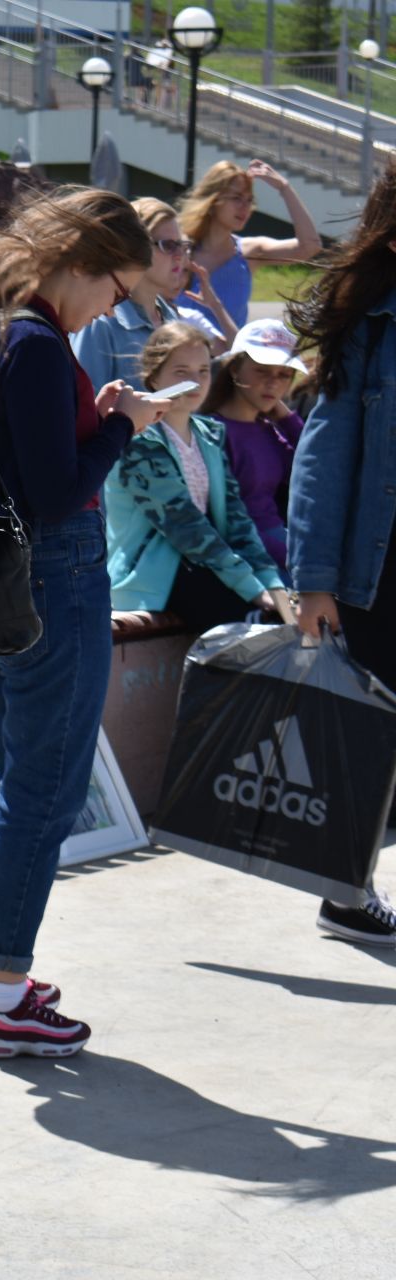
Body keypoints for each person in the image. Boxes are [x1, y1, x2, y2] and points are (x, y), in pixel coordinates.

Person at [0, 186, 164, 1059]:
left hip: (13, 582)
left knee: (14, 778)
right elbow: (55, 492)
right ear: (82, 265)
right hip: (53, 577)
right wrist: (123, 425)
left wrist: (93, 422)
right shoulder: (30, 340)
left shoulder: (6, 329)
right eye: (116, 287)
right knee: (47, 786)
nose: (114, 307)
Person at [284, 156, 396, 947]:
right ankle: (344, 893)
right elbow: (324, 452)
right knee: (372, 735)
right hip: (379, 569)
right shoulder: (372, 320)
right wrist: (314, 579)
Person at [104, 321, 292, 630]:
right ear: (154, 375)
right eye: (181, 372)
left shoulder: (210, 433)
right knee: (253, 625)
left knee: (279, 620)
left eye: (203, 371)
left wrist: (270, 581)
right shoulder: (139, 439)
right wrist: (252, 587)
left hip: (205, 567)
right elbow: (185, 526)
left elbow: (236, 519)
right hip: (154, 579)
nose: (194, 382)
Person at [202, 318, 309, 574]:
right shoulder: (210, 433)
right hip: (248, 562)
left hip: (283, 548)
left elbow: (310, 466)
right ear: (235, 369)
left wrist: (283, 414)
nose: (273, 383)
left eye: (284, 375)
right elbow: (220, 521)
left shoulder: (269, 429)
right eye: (262, 370)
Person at [73, 197, 205, 389]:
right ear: (136, 248)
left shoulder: (172, 319)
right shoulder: (100, 322)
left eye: (182, 245)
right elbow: (85, 407)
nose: (180, 256)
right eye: (168, 245)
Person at [179, 160, 321, 332]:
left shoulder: (248, 252)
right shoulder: (179, 248)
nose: (245, 207)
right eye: (237, 198)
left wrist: (284, 188)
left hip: (229, 357)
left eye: (249, 200)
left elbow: (310, 246)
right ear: (213, 200)